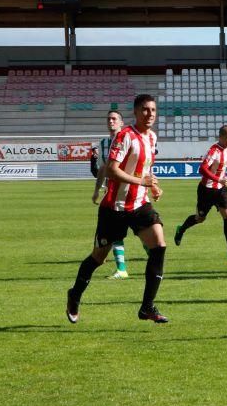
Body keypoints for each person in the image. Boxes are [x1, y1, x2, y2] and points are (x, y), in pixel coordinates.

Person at [66, 94, 168, 324]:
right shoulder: (125, 136)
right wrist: (142, 182)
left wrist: (153, 186)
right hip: (115, 208)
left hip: (140, 204)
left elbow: (145, 169)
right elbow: (111, 170)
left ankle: (147, 307)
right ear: (135, 112)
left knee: (159, 246)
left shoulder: (151, 138)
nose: (150, 114)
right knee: (98, 258)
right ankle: (74, 295)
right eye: (145, 109)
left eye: (153, 110)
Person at [174, 126, 227, 258]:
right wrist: (218, 179)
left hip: (220, 190)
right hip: (206, 190)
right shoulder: (213, 151)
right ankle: (181, 229)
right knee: (200, 218)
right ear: (220, 137)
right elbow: (202, 169)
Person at [90, 109, 130, 279]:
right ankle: (121, 269)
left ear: (121, 122)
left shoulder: (130, 139)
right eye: (109, 119)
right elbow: (102, 170)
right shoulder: (103, 144)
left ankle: (155, 261)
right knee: (115, 232)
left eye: (114, 119)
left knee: (145, 232)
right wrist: (97, 190)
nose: (111, 121)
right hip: (114, 196)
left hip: (132, 192)